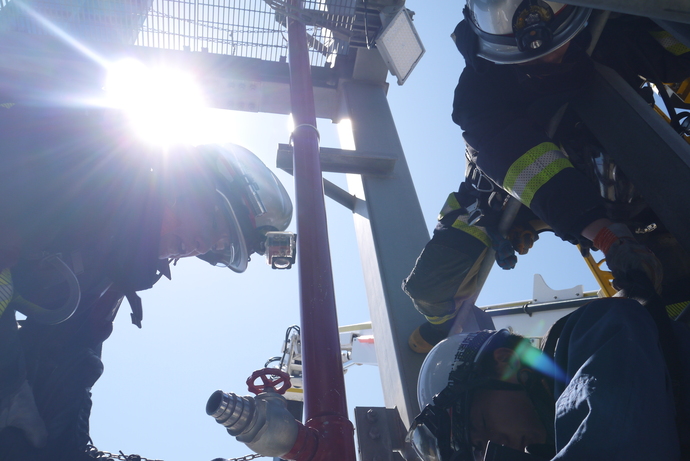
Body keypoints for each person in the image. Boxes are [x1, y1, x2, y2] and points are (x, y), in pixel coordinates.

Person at [0, 103, 293, 460]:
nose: (203, 245)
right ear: (188, 184)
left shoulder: (103, 281)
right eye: (214, 223)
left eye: (219, 247)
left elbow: (69, 370)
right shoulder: (90, 158)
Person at [403, 1, 690, 353]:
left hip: (632, 170)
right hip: (514, 190)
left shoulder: (609, 25)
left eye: (559, 44)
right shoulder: (479, 96)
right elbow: (523, 162)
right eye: (530, 59)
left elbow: (677, 50)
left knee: (672, 287)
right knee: (430, 285)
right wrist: (604, 235)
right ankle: (440, 326)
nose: (550, 59)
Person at [404, 296, 690, 460]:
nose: (498, 443)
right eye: (479, 447)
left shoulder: (591, 333)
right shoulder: (558, 441)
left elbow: (624, 439)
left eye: (483, 423)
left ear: (507, 361)